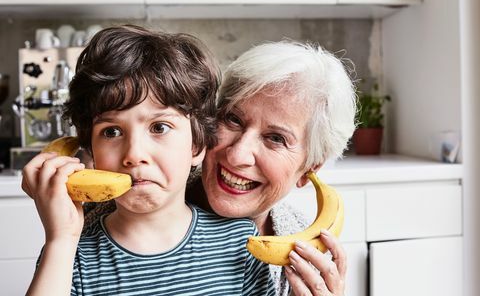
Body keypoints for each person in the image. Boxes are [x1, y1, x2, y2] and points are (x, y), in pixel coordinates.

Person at [82, 39, 356, 296]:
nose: (238, 155)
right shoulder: (122, 209)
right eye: (233, 119)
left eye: (275, 139)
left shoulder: (305, 252)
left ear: (308, 170)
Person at [21, 25, 274, 295]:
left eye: (159, 127)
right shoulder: (72, 255)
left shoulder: (238, 242)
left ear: (197, 145)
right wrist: (60, 240)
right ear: (92, 153)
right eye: (112, 131)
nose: (134, 154)